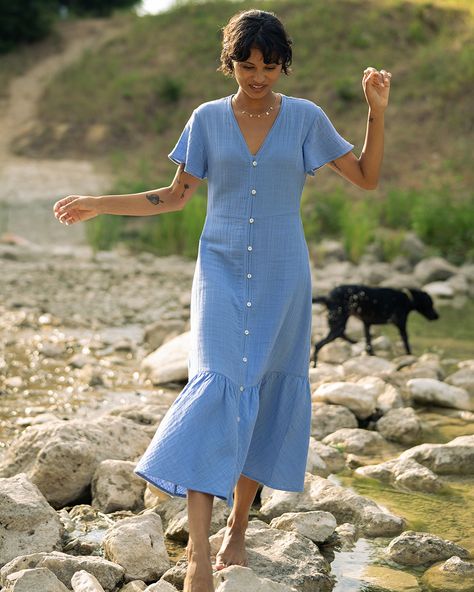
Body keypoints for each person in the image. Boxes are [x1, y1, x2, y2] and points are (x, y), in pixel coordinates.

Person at [53, 8, 391, 592]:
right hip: (221, 272)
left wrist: (376, 112)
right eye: (244, 64)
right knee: (217, 391)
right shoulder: (207, 119)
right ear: (229, 62)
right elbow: (175, 195)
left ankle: (238, 527)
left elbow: (364, 176)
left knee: (260, 393)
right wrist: (99, 202)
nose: (255, 76)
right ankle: (199, 560)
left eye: (267, 65)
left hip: (285, 275)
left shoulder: (307, 119)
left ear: (284, 64)